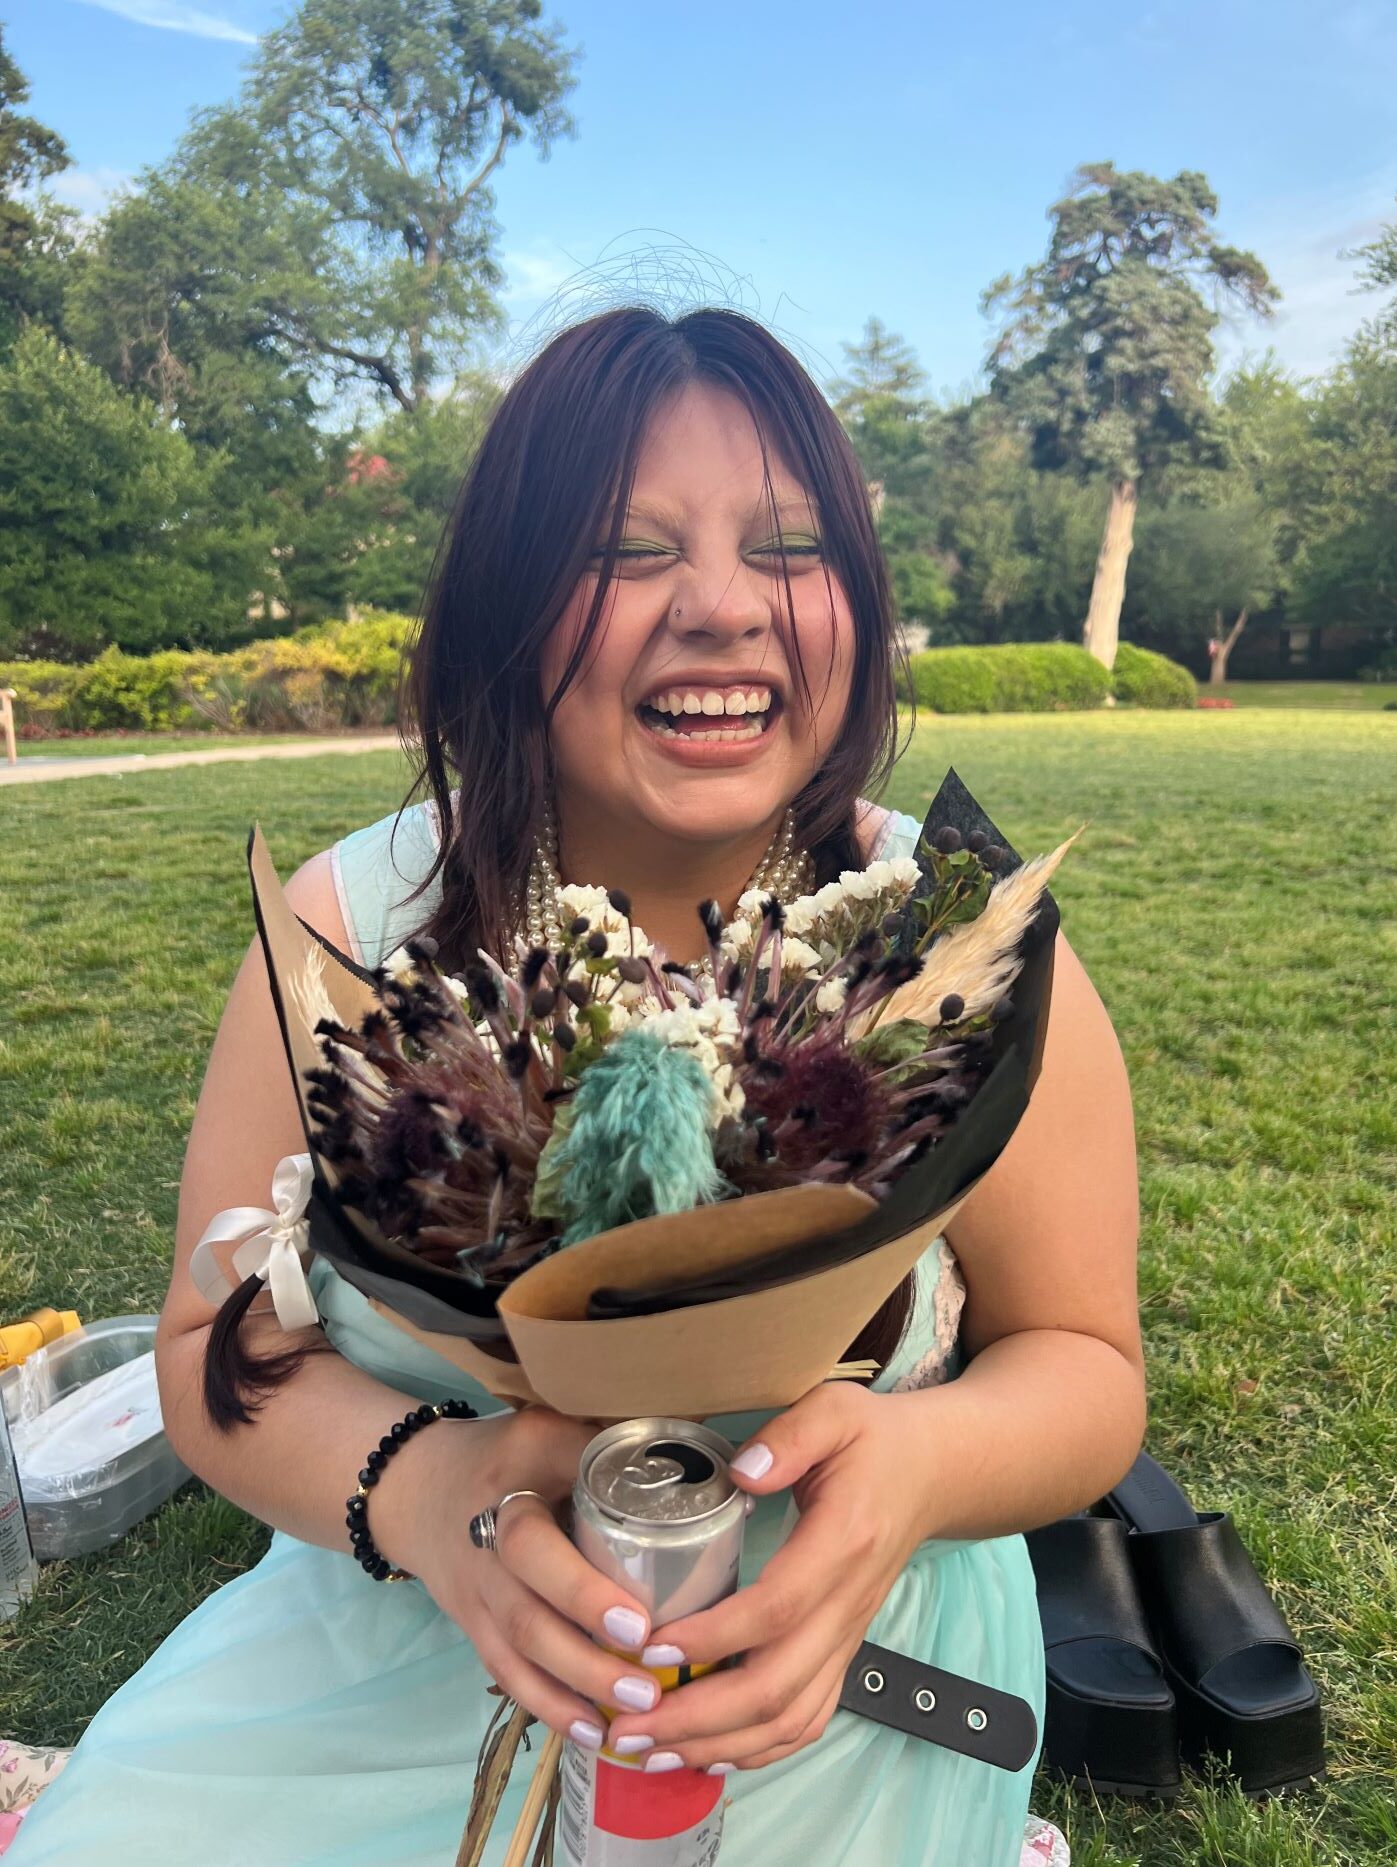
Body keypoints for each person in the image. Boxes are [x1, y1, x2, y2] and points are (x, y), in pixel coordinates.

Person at [10, 307, 1143, 1866]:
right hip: (398, 1650)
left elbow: (1083, 1360)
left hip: (832, 1680)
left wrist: (916, 1471)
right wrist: (434, 1496)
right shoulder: (351, 937)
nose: (726, 609)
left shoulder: (957, 941)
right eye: (627, 552)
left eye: (790, 544)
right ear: (511, 603)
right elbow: (218, 1345)